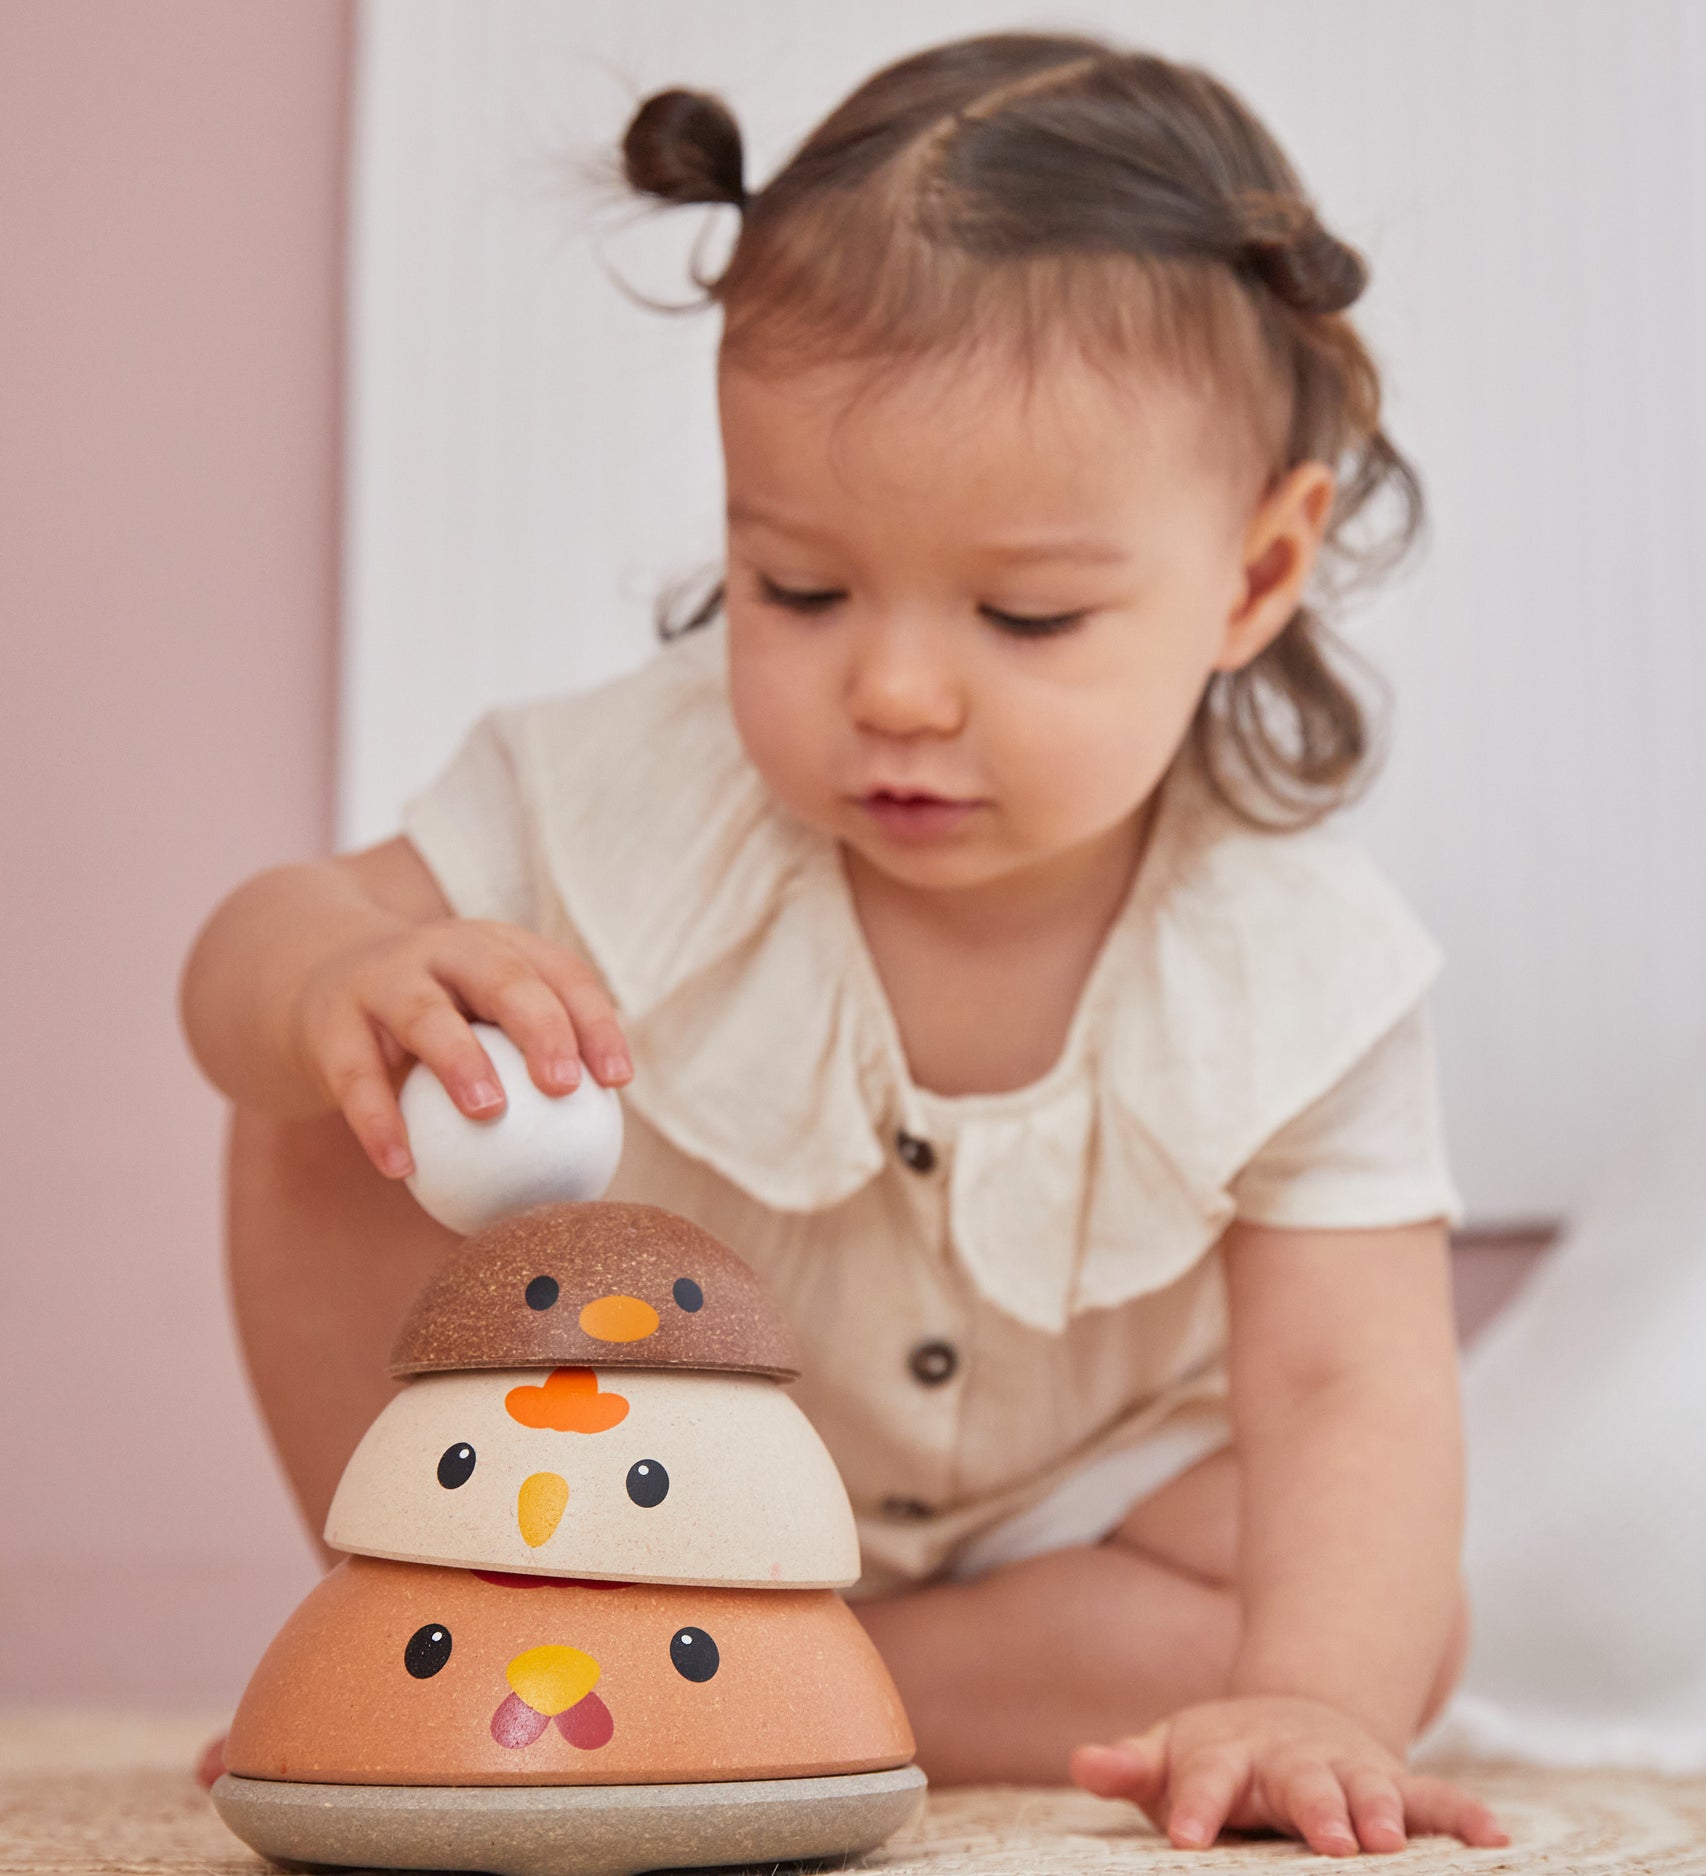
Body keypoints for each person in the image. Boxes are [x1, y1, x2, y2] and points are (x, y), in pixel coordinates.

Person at [181, 31, 1509, 1856]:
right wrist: (332, 981)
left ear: (1255, 578)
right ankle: (444, 1622)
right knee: (322, 1098)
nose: (889, 688)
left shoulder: (1297, 969)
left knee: (1377, 1615)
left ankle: (767, 1683)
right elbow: (256, 951)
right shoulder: (621, 797)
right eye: (794, 589)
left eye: (1026, 617)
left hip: (1067, 1532)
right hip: (611, 1466)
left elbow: (1344, 1382)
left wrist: (1312, 1698)